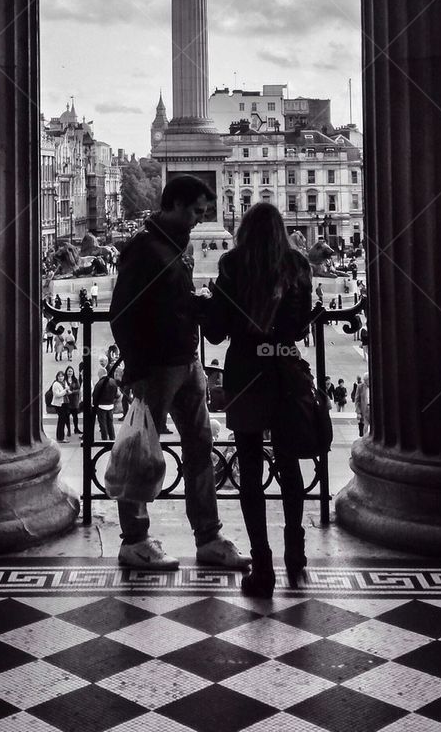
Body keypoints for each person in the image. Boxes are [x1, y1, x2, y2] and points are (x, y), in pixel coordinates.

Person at [110, 173, 249, 571]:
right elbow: (123, 312)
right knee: (142, 450)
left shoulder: (174, 245)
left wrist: (193, 303)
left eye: (204, 212)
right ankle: (134, 540)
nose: (198, 219)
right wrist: (135, 366)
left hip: (187, 361)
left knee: (201, 445)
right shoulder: (144, 249)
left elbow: (167, 300)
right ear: (172, 204)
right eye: (194, 211)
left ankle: (208, 536)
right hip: (155, 367)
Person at [201, 202, 314, 596]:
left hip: (246, 369)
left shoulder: (233, 265)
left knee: (249, 468)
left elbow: (215, 332)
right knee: (289, 464)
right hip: (283, 369)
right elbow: (300, 329)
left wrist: (204, 302)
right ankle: (295, 553)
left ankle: (262, 565)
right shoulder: (298, 265)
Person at [92, 364, 118, 440]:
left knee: (103, 423)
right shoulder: (113, 382)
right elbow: (116, 394)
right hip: (110, 405)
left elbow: (95, 395)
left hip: (101, 405)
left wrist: (94, 405)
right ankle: (112, 437)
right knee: (110, 422)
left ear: (100, 374)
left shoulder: (99, 383)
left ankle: (104, 438)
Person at [49, 370, 70, 442]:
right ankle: (60, 438)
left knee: (62, 420)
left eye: (62, 376)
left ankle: (61, 437)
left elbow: (67, 390)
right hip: (58, 404)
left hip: (64, 403)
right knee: (61, 420)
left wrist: (68, 391)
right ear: (57, 377)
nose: (61, 378)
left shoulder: (64, 382)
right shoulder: (55, 384)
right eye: (59, 376)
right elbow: (57, 395)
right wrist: (65, 390)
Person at [63, 365, 81, 435]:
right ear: (66, 372)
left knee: (75, 416)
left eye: (71, 371)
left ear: (73, 372)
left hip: (74, 401)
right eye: (68, 371)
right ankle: (68, 430)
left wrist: (72, 392)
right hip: (67, 401)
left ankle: (76, 429)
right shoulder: (64, 380)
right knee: (67, 416)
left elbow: (78, 390)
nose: (70, 373)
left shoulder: (75, 380)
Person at [353, 372, 370, 436]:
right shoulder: (360, 387)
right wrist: (358, 412)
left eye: (367, 380)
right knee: (364, 426)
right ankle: (364, 439)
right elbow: (357, 400)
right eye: (366, 380)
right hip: (364, 409)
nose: (366, 382)